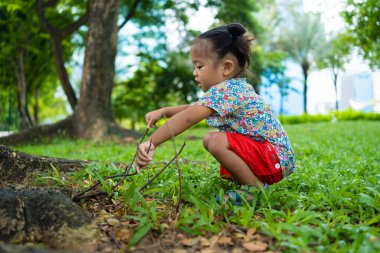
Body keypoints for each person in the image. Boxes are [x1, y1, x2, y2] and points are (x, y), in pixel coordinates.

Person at [136, 23, 296, 206]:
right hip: (273, 156)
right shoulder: (231, 90)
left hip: (273, 158)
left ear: (226, 68)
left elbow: (189, 117)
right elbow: (194, 108)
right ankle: (247, 181)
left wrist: (152, 142)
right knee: (214, 138)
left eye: (199, 66)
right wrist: (165, 111)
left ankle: (253, 188)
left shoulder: (228, 90)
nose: (194, 73)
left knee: (215, 140)